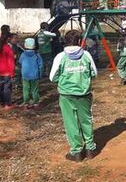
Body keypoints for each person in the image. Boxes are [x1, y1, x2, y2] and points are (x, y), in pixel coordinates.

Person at [50, 30, 98, 162]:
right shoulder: (86, 55)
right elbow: (94, 73)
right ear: (79, 41)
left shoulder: (60, 57)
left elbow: (52, 77)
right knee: (86, 120)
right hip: (84, 94)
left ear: (65, 41)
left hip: (66, 95)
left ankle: (76, 152)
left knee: (71, 122)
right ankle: (90, 149)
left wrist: (64, 79)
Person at [19, 38, 43, 109]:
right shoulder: (37, 55)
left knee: (26, 89)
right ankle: (35, 103)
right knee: (34, 90)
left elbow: (20, 62)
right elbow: (41, 66)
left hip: (25, 75)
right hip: (35, 75)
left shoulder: (23, 54)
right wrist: (40, 74)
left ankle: (26, 103)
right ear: (34, 45)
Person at [0, 32, 15, 110]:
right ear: (7, 39)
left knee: (0, 88)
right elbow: (11, 62)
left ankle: (0, 103)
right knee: (7, 88)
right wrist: (12, 73)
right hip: (7, 72)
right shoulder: (8, 48)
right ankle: (7, 104)